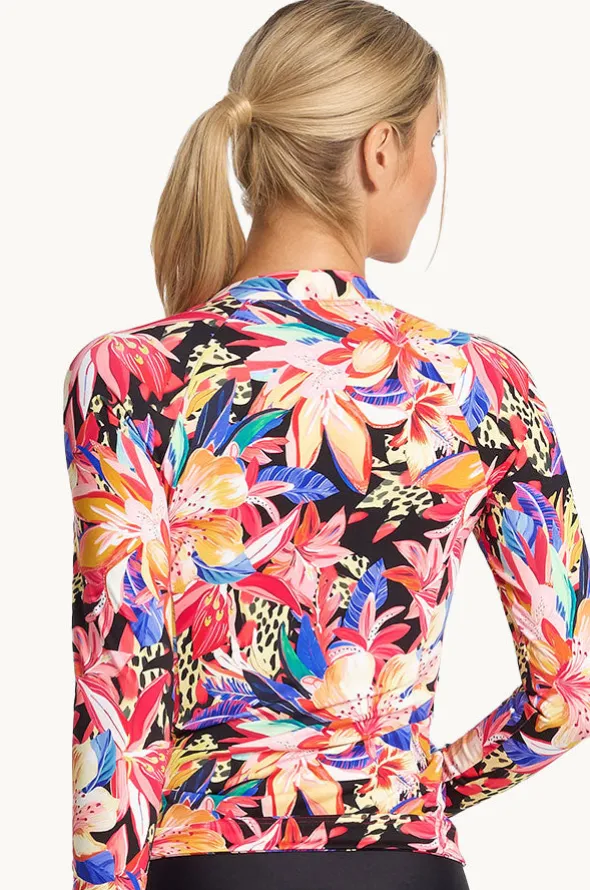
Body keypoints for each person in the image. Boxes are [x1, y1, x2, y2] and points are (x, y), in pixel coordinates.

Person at [62, 2, 590, 889]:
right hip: (404, 871)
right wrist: (411, 794)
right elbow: (570, 690)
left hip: (205, 874)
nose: (431, 172)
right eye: (430, 141)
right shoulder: (481, 383)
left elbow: (116, 696)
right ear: (381, 152)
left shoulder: (130, 374)